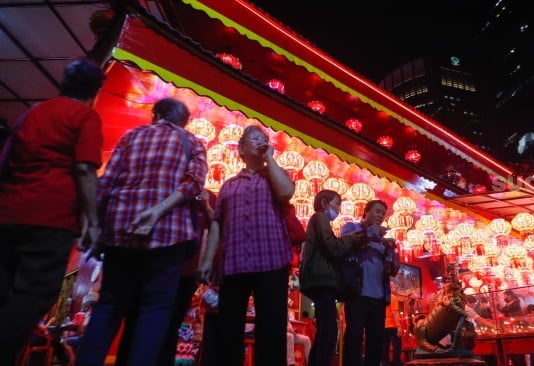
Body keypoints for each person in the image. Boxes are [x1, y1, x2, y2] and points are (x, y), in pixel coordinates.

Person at [76, 97, 208, 366]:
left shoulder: (130, 137)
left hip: (121, 231)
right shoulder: (192, 142)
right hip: (169, 236)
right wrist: (159, 210)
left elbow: (106, 185)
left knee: (109, 307)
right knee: (155, 312)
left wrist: (94, 226)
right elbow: (194, 183)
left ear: (156, 114)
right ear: (184, 122)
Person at [0, 57, 105, 364]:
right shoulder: (85, 116)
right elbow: (85, 169)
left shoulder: (36, 111)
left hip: (8, 214)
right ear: (95, 91)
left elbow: (5, 161)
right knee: (32, 297)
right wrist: (92, 222)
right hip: (51, 219)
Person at [197, 124, 295, 366]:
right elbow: (217, 224)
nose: (260, 141)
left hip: (272, 260)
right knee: (229, 328)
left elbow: (286, 193)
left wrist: (269, 159)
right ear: (240, 149)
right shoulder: (229, 185)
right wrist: (208, 260)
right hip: (234, 261)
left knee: (271, 330)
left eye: (263, 138)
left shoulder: (274, 175)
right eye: (254, 138)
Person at [114, 188, 216, 366]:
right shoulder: (166, 187)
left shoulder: (208, 196)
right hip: (153, 266)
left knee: (171, 327)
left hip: (188, 272)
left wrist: (206, 205)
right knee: (137, 322)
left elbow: (216, 226)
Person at [298, 189, 367, 366]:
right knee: (329, 329)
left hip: (318, 279)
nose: (338, 209)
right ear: (324, 203)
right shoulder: (320, 217)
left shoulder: (319, 220)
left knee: (324, 329)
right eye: (336, 203)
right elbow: (332, 248)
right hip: (321, 279)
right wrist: (349, 240)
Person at [341, 199, 399, 366]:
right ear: (366, 212)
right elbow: (345, 245)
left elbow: (391, 270)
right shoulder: (352, 228)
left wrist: (391, 251)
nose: (381, 215)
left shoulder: (382, 240)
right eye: (377, 211)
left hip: (379, 297)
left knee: (376, 342)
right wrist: (373, 233)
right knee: (354, 338)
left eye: (383, 213)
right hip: (357, 293)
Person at [382, 290, 402, 366]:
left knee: (384, 348)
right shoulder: (392, 297)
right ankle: (396, 364)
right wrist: (399, 326)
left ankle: (385, 364)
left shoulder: (381, 298)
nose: (395, 287)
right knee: (397, 346)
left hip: (383, 326)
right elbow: (394, 312)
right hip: (392, 325)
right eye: (393, 285)